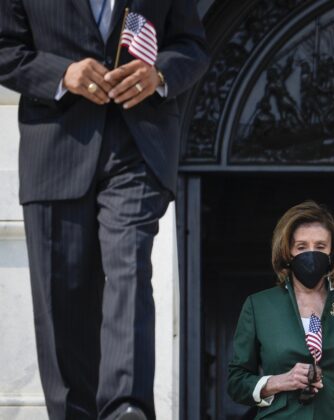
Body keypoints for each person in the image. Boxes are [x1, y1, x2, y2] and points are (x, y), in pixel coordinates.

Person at [0, 1, 209, 419]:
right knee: (63, 297)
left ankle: (125, 407)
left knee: (129, 266)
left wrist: (160, 74)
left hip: (137, 144)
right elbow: (5, 49)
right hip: (55, 150)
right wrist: (62, 74)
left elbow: (191, 45)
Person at [228, 201, 334, 419]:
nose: (311, 254)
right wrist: (277, 382)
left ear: (332, 252)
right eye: (301, 247)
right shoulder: (259, 306)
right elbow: (236, 381)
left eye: (320, 247)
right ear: (287, 251)